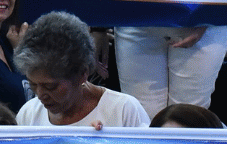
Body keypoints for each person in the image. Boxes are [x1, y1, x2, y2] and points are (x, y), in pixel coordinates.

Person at [12, 12, 150, 128]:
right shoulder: (28, 114)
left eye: (50, 86)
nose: (40, 94)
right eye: (33, 84)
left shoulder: (124, 111)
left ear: (82, 74)